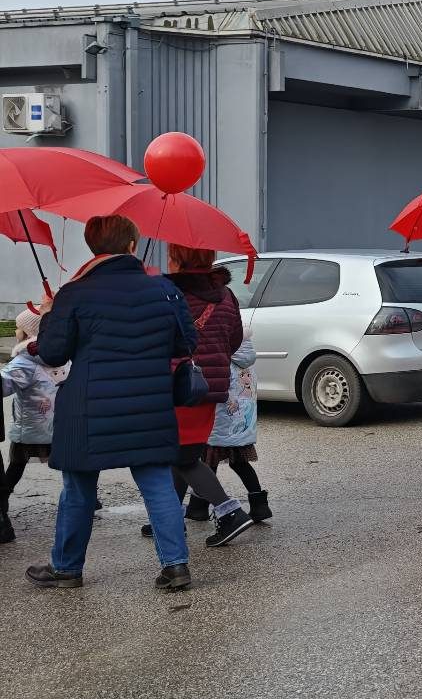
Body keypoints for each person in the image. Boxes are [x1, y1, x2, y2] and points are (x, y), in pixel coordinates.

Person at [26, 215, 198, 591]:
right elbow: (187, 343)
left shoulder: (74, 293)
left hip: (89, 409)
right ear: (132, 246)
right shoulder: (165, 291)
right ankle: (176, 566)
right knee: (157, 485)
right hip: (149, 405)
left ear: (92, 247)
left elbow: (53, 353)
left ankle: (67, 568)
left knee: (78, 489)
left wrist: (51, 313)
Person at [162, 246, 252, 547]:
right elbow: (235, 338)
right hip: (210, 384)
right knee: (183, 453)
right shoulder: (226, 295)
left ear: (178, 260)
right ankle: (169, 517)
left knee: (181, 456)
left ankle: (229, 512)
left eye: (171, 255)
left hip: (178, 384)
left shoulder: (171, 294)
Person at [0, 306, 62, 544]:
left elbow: (5, 386)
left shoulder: (24, 360)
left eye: (19, 326)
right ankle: (89, 498)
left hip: (30, 428)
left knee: (16, 464)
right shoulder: (58, 355)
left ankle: (2, 501)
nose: (16, 330)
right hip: (56, 424)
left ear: (27, 332)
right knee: (67, 464)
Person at [204, 336, 271, 527]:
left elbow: (219, 388)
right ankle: (259, 505)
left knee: (208, 463)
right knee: (238, 463)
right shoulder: (246, 361)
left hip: (221, 423)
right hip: (241, 424)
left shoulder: (223, 360)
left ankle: (198, 505)